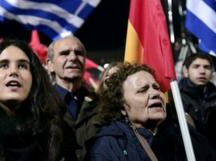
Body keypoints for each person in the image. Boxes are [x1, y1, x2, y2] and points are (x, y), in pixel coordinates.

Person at [0, 40, 77, 161]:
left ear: (34, 78)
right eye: (4, 65)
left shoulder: (57, 132)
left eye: (22, 66)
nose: (13, 72)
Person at [86, 63, 216, 161]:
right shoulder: (108, 146)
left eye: (156, 87)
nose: (155, 94)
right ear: (122, 106)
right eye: (142, 90)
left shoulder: (186, 134)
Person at [46, 36, 99, 161]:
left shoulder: (101, 105)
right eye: (64, 53)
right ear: (50, 65)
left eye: (78, 53)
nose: (73, 58)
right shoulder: (38, 105)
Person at [179, 52, 216, 148]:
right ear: (186, 71)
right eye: (196, 66)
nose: (202, 71)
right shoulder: (176, 98)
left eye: (206, 67)